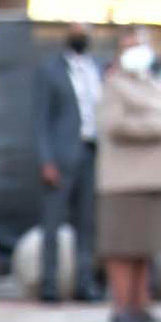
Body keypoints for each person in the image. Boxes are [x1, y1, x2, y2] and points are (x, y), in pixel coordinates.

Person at [97, 27, 161, 322]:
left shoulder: (155, 83)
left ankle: (141, 305)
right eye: (130, 46)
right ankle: (122, 306)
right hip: (125, 180)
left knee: (146, 246)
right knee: (123, 247)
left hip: (157, 176)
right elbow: (114, 125)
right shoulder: (114, 85)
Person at [36, 23, 103, 304]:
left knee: (86, 223)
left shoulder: (97, 69)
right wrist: (46, 159)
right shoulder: (50, 71)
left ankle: (84, 282)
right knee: (53, 223)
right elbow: (41, 120)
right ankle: (49, 284)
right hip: (62, 156)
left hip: (92, 152)